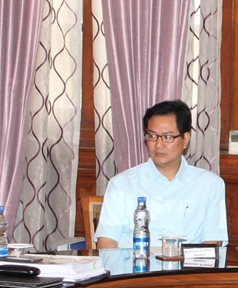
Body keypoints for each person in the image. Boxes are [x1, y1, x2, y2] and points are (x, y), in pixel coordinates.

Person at [94, 100, 228, 248]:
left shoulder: (210, 185)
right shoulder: (121, 184)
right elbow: (106, 241)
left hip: (187, 270)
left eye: (167, 137)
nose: (158, 144)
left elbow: (212, 242)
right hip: (133, 268)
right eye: (152, 136)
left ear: (185, 139)